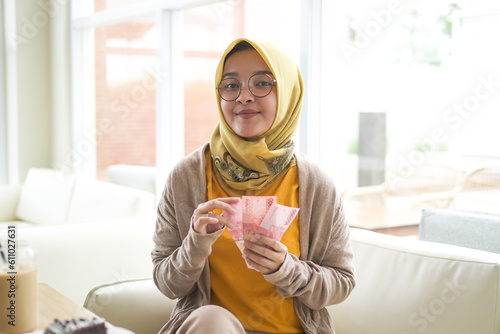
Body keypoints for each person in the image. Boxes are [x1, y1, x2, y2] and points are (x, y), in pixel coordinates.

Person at [152, 37, 355, 334]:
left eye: (261, 84)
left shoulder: (316, 186)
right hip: (211, 329)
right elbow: (167, 284)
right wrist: (195, 244)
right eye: (231, 85)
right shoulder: (187, 178)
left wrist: (286, 269)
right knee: (212, 319)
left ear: (287, 93)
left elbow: (341, 283)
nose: (243, 97)